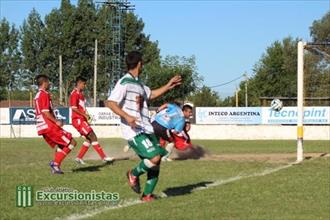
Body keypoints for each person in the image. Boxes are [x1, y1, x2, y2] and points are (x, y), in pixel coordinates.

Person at [107, 51, 181, 201]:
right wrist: (127, 116)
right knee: (154, 157)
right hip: (134, 131)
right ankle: (133, 174)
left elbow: (151, 94)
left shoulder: (139, 83)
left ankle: (147, 195)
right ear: (139, 63)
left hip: (147, 128)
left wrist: (168, 86)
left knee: (157, 161)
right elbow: (110, 102)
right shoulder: (124, 82)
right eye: (143, 62)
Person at [34, 74, 77, 174]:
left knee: (61, 145)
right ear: (44, 83)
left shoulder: (37, 95)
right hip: (49, 126)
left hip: (42, 126)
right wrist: (56, 121)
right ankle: (55, 164)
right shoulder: (44, 94)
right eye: (48, 82)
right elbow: (45, 112)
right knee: (72, 142)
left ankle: (56, 167)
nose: (49, 84)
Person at [70, 76, 113, 165]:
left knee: (89, 139)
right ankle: (104, 158)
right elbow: (74, 108)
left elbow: (81, 107)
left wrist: (86, 115)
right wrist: (84, 115)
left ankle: (79, 158)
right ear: (79, 83)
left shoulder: (80, 94)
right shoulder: (74, 94)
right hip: (78, 120)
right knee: (93, 136)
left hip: (81, 119)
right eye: (84, 84)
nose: (84, 86)